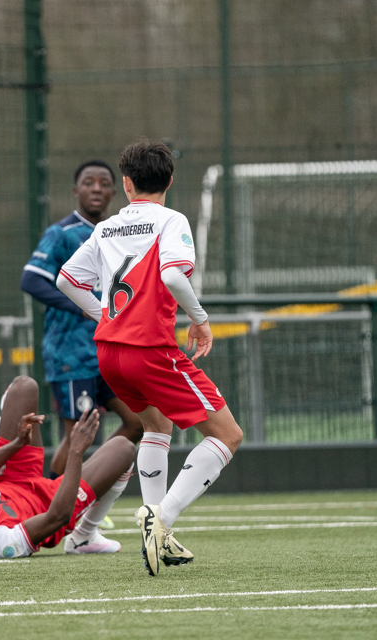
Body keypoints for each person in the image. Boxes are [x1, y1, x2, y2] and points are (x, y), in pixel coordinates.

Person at [57, 139, 243, 577]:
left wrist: (105, 314)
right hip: (150, 350)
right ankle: (160, 519)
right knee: (228, 435)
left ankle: (154, 528)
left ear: (125, 184)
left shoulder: (106, 229)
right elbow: (174, 275)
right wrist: (199, 319)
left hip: (108, 352)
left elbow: (67, 281)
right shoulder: (171, 220)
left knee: (156, 425)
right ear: (171, 181)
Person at [21, 160, 143, 481]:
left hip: (110, 352)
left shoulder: (116, 234)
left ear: (115, 192)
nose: (97, 188)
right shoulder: (61, 234)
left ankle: (90, 482)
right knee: (78, 435)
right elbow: (31, 280)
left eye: (104, 183)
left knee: (138, 423)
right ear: (76, 191)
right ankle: (47, 500)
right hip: (71, 354)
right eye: (89, 183)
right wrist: (81, 306)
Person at [0, 376, 134, 560]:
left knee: (24, 387)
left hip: (11, 478)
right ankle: (85, 536)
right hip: (48, 505)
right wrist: (75, 451)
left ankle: (5, 430)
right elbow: (57, 516)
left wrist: (18, 442)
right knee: (123, 449)